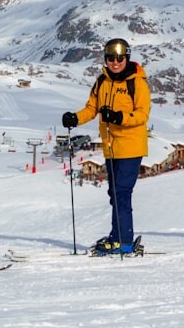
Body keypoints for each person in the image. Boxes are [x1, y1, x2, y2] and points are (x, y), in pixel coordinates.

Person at [62, 38, 151, 255]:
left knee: (122, 193)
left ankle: (124, 241)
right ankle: (117, 236)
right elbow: (91, 108)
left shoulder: (137, 83)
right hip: (111, 147)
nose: (115, 62)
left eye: (119, 58)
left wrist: (119, 117)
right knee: (114, 193)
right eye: (111, 58)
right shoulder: (102, 81)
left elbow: (142, 114)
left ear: (126, 57)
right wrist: (75, 118)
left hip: (131, 146)